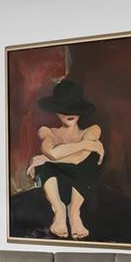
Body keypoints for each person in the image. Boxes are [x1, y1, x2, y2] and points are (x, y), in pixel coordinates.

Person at [26, 78, 104, 240]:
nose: (70, 113)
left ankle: (74, 213)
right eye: (64, 109)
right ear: (56, 111)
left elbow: (79, 159)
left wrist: (45, 158)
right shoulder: (47, 131)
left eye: (74, 108)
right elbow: (52, 152)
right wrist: (85, 145)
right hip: (56, 185)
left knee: (88, 160)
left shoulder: (92, 130)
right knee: (45, 166)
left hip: (81, 183)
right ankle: (60, 211)